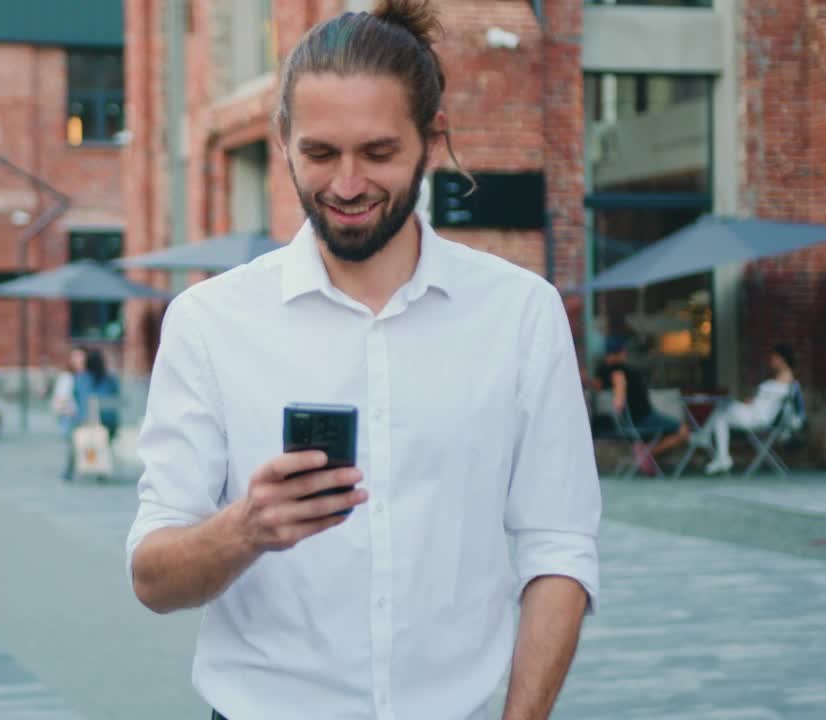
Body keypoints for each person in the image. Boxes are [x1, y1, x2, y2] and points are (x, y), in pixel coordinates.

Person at [126, 4, 601, 718]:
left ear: (431, 141)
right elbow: (153, 579)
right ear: (283, 140)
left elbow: (559, 547)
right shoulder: (209, 323)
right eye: (320, 154)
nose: (347, 185)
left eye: (378, 153)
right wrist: (247, 527)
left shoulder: (520, 314)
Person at [593, 335, 690, 475]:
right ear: (622, 352)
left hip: (638, 419)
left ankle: (644, 449)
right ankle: (648, 453)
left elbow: (599, 385)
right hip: (642, 419)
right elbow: (619, 384)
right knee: (683, 430)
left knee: (671, 429)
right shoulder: (620, 370)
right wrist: (619, 403)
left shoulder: (603, 371)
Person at [700, 344, 797, 475]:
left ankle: (708, 442)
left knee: (722, 410)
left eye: (774, 358)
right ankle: (716, 450)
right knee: (721, 412)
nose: (771, 361)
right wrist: (753, 400)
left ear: (782, 359)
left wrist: (754, 401)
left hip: (758, 417)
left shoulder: (786, 379)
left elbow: (770, 404)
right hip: (755, 412)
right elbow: (768, 400)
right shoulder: (781, 378)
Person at [57, 347, 121, 481]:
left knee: (74, 438)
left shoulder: (81, 379)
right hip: (109, 422)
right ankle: (100, 470)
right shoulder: (110, 379)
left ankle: (69, 471)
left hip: (85, 420)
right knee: (102, 442)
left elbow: (82, 402)